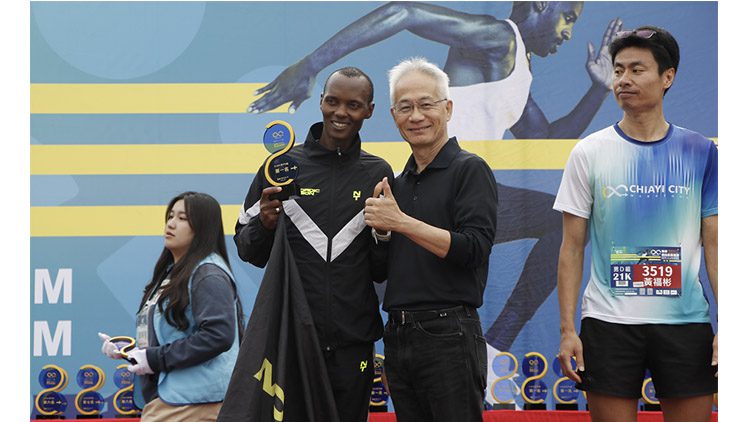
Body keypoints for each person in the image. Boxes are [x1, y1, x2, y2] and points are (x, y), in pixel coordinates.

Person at [247, 1, 623, 359]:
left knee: (557, 225)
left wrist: (598, 89)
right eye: (568, 17)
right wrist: (310, 65)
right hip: (429, 188)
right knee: (381, 294)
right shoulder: (499, 38)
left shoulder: (516, 62)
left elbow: (543, 138)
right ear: (541, 4)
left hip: (463, 192)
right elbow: (405, 11)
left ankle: (492, 349)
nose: (568, 33)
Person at [554, 27, 717, 422]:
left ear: (667, 77)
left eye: (637, 70)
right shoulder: (589, 152)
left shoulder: (701, 151)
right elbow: (571, 246)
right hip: (608, 323)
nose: (623, 79)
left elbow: (716, 243)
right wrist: (568, 330)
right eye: (618, 70)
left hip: (684, 323)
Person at [234, 67, 393, 422]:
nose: (340, 112)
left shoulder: (378, 173)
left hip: (353, 340)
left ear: (369, 110)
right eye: (333, 101)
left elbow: (382, 269)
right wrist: (264, 224)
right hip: (290, 337)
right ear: (320, 101)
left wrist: (384, 236)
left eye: (353, 105)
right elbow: (247, 250)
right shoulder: (280, 167)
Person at [364, 58, 497, 421]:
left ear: (447, 108)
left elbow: (474, 249)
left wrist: (401, 222)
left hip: (449, 333)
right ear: (393, 115)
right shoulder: (396, 184)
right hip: (398, 334)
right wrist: (382, 232)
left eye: (426, 104)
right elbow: (380, 271)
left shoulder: (470, 169)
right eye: (405, 107)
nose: (416, 116)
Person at [99, 191, 242, 421]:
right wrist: (132, 351)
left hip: (196, 403)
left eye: (183, 218)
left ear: (203, 227)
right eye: (170, 216)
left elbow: (218, 335)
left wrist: (154, 358)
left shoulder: (208, 274)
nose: (171, 223)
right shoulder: (172, 273)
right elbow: (176, 336)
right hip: (171, 400)